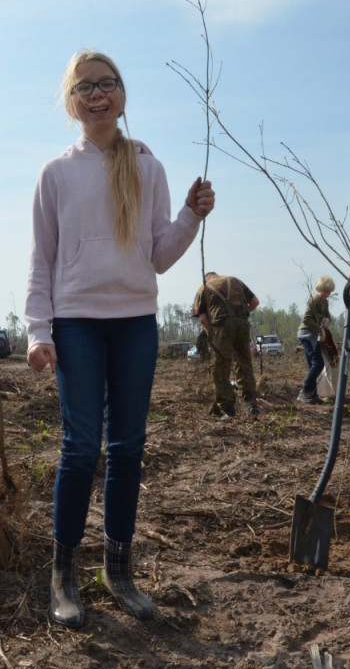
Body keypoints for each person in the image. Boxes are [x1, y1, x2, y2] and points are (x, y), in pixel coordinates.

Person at [25, 50, 215, 629]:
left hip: (135, 321)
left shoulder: (147, 167)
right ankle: (64, 573)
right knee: (81, 448)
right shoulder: (55, 174)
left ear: (122, 95)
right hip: (76, 322)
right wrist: (38, 330)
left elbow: (157, 257)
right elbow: (43, 259)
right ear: (71, 101)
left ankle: (118, 568)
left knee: (128, 448)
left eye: (108, 84)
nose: (98, 94)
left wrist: (190, 215)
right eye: (86, 87)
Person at [193, 272, 260, 418]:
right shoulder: (235, 280)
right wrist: (241, 316)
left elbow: (203, 319)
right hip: (243, 324)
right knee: (244, 364)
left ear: (206, 279)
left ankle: (227, 407)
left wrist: (211, 333)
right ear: (217, 275)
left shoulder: (203, 288)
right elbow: (255, 302)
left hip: (222, 326)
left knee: (220, 367)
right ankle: (251, 403)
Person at [296, 276, 335, 404]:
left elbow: (327, 314)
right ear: (319, 289)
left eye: (328, 291)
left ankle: (312, 395)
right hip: (307, 334)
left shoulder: (325, 302)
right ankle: (304, 393)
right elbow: (306, 320)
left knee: (313, 365)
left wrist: (328, 320)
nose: (326, 294)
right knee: (318, 364)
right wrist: (320, 329)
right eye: (324, 290)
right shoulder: (313, 301)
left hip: (314, 334)